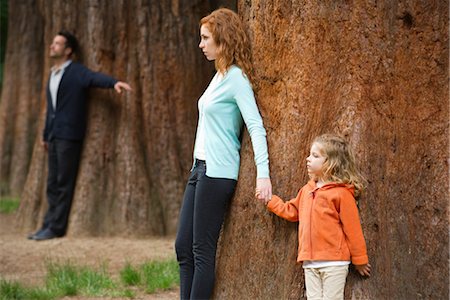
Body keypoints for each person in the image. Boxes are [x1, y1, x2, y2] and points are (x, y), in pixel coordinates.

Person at [175, 8, 272, 299]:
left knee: (202, 251)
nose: (201, 44)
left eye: (205, 38)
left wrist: (263, 175)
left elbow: (256, 127)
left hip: (218, 173)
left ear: (223, 39)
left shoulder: (237, 80)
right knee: (183, 248)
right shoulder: (219, 76)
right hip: (199, 169)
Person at [27, 31, 131, 241]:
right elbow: (51, 108)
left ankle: (56, 228)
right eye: (53, 42)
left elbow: (94, 77)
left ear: (68, 50)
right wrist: (46, 135)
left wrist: (113, 83)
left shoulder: (75, 71)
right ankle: (47, 223)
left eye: (57, 44)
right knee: (51, 182)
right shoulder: (53, 74)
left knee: (63, 182)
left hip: (69, 136)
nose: (52, 46)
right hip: (54, 135)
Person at [258, 134, 371, 300]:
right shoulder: (307, 190)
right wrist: (270, 200)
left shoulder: (341, 194)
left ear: (331, 163)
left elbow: (353, 229)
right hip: (309, 262)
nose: (308, 159)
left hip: (334, 262)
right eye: (310, 154)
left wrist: (360, 259)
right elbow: (292, 211)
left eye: (315, 156)